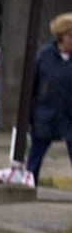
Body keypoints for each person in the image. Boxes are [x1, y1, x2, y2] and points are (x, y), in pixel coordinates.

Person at [25, 12, 72, 184]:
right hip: (45, 114)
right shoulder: (44, 56)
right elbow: (31, 85)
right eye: (70, 35)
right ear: (61, 36)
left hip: (69, 115)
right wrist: (29, 117)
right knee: (35, 157)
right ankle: (29, 186)